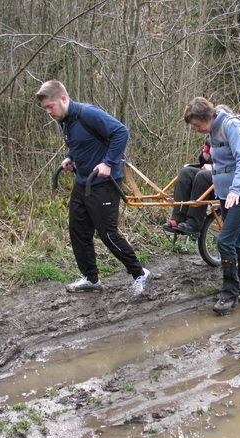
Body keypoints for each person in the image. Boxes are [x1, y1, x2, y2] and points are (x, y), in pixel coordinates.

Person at [36, 80, 150, 294]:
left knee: (108, 234)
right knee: (78, 230)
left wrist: (108, 162)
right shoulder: (65, 120)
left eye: (50, 106)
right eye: (45, 109)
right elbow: (80, 143)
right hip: (84, 182)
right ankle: (91, 278)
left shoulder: (88, 113)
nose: (48, 112)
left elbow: (121, 132)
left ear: (63, 99)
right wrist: (69, 157)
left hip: (104, 183)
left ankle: (139, 273)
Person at [183, 97, 240, 314]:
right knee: (236, 241)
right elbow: (221, 161)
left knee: (225, 241)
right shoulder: (213, 130)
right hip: (226, 194)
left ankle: (229, 293)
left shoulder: (231, 126)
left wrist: (236, 189)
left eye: (197, 125)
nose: (196, 129)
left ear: (207, 117)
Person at [161, 142, 213, 237]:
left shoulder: (233, 133)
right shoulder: (213, 135)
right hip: (212, 173)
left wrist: (215, 168)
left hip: (226, 177)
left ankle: (194, 223)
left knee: (202, 176)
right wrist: (205, 155)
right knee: (185, 172)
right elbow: (202, 162)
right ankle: (178, 218)